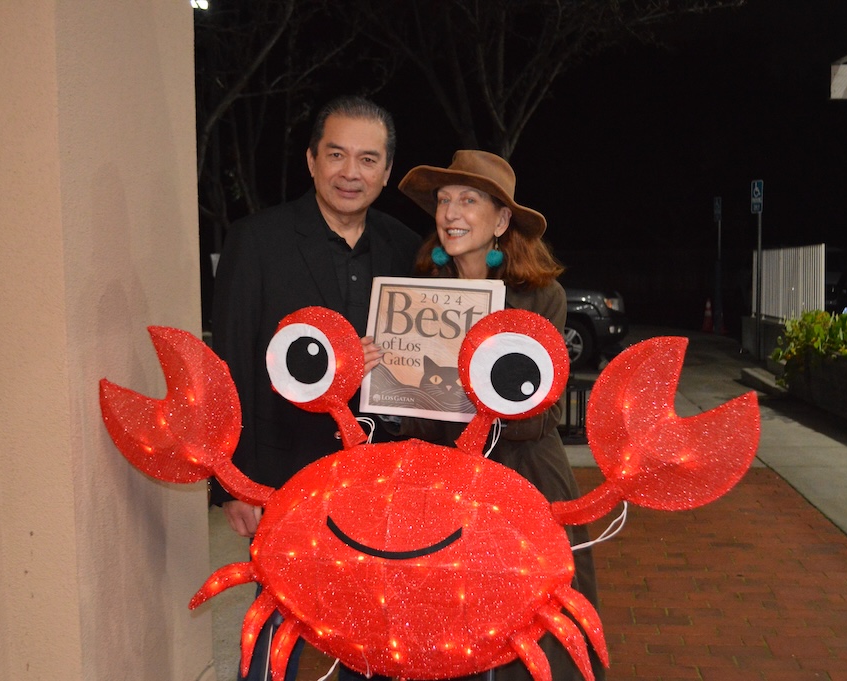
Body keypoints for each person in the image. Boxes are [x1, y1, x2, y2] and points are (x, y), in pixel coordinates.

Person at [210, 95, 422, 681]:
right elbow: (229, 362)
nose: (350, 173)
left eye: (367, 159)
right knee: (277, 621)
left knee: (371, 620)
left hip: (380, 475)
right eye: (336, 155)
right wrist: (233, 482)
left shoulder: (409, 248)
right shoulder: (257, 240)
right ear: (310, 160)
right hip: (283, 469)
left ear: (385, 170)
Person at [389, 149, 606, 681]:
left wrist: (475, 391)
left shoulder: (541, 298)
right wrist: (385, 379)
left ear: (502, 220)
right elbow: (411, 417)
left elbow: (536, 413)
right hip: (441, 483)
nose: (451, 212)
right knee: (443, 630)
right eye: (443, 200)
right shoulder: (413, 296)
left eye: (469, 200)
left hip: (525, 476)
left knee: (535, 635)